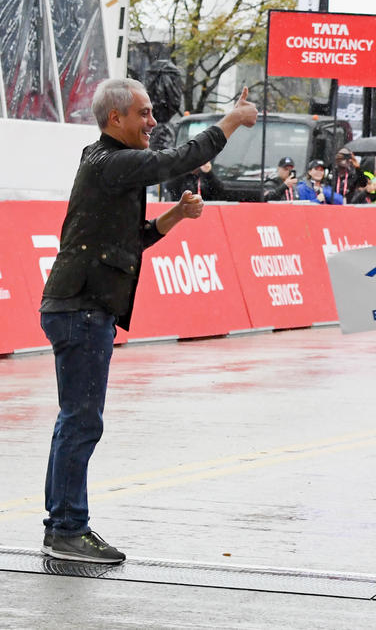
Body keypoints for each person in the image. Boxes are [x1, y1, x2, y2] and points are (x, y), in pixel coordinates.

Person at [38, 78, 257, 563]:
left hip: (77, 306)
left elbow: (131, 240)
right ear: (115, 118)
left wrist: (176, 215)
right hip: (81, 308)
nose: (153, 122)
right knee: (81, 423)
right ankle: (70, 528)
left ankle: (62, 524)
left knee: (73, 422)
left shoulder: (102, 163)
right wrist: (231, 122)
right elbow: (172, 160)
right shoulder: (111, 163)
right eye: (144, 113)